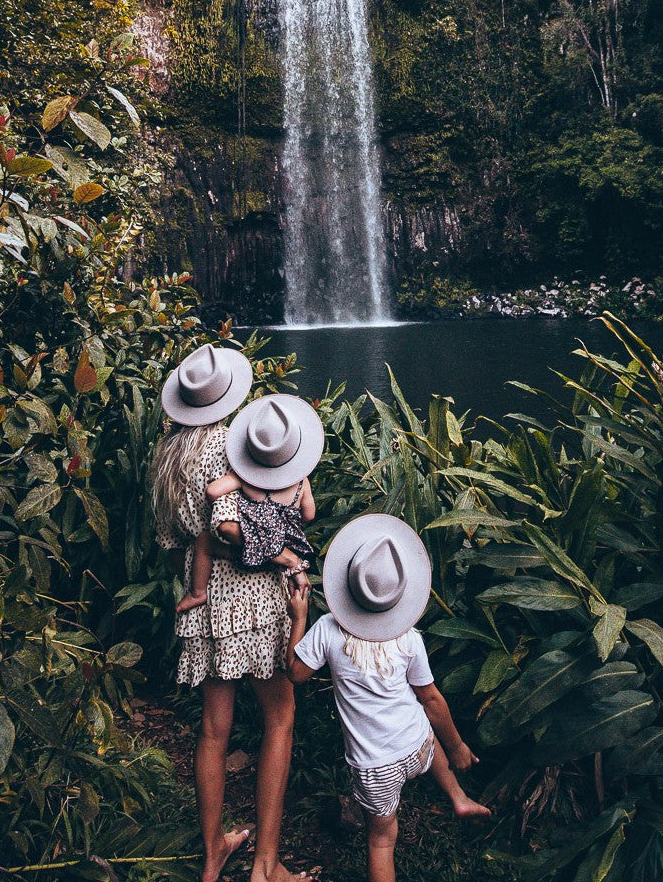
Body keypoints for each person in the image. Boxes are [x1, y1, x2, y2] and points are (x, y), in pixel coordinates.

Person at [152, 343, 312, 882]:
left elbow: (177, 537)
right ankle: (266, 866)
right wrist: (286, 555)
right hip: (253, 599)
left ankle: (213, 852)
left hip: (201, 601)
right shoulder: (228, 444)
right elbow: (228, 535)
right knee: (280, 716)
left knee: (213, 731)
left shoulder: (166, 453)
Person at [282, 513, 490, 882]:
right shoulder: (409, 638)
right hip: (416, 746)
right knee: (426, 732)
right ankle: (457, 796)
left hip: (373, 767)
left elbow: (295, 674)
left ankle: (451, 801)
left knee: (381, 838)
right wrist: (456, 746)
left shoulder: (329, 629)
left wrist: (297, 616)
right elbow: (431, 699)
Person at [176, 396, 320, 613]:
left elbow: (212, 491)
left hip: (248, 551)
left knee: (204, 541)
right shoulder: (301, 481)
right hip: (279, 553)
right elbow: (309, 515)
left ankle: (198, 593)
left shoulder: (245, 478)